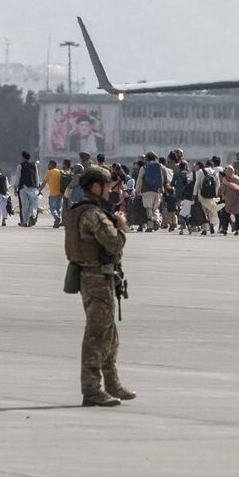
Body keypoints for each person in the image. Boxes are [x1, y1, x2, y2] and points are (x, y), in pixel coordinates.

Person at [63, 168, 133, 406]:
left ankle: (112, 384)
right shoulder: (93, 214)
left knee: (109, 335)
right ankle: (92, 390)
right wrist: (121, 226)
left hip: (97, 279)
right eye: (107, 186)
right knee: (96, 335)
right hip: (96, 280)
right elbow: (113, 244)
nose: (110, 191)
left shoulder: (83, 210)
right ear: (95, 187)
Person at [136, 154, 165, 232]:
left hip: (147, 190)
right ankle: (157, 220)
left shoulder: (144, 167)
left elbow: (140, 178)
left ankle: (150, 226)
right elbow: (162, 178)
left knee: (148, 208)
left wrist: (137, 189)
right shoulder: (159, 166)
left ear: (147, 158)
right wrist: (161, 187)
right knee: (155, 208)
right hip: (157, 190)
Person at [17, 151, 41, 227]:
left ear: (23, 157)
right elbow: (37, 176)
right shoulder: (34, 165)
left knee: (25, 205)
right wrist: (37, 186)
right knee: (33, 205)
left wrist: (15, 187)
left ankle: (25, 222)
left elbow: (18, 178)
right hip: (33, 188)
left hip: (23, 188)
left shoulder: (20, 166)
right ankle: (32, 217)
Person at [45, 158, 66, 227]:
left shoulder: (49, 172)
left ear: (52, 165)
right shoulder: (60, 172)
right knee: (58, 208)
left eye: (49, 165)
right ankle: (56, 222)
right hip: (60, 193)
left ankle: (56, 217)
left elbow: (43, 183)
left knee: (52, 208)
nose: (48, 166)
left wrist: (39, 191)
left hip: (52, 194)